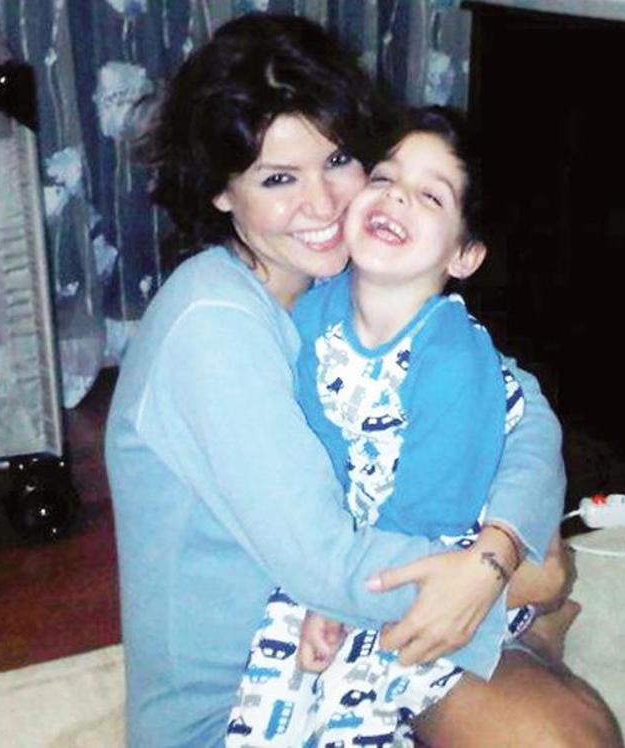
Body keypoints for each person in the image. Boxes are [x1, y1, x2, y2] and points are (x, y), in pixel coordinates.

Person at [105, 13, 621, 747]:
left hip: (367, 639)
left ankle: (527, 644)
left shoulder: (339, 274)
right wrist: (518, 575)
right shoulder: (210, 325)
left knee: (571, 738)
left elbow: (526, 413)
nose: (321, 205)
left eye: (339, 159)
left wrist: (501, 543)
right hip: (244, 707)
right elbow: (330, 564)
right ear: (222, 189)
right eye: (278, 178)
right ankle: (532, 634)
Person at [226, 106, 548, 745]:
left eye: (430, 196)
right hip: (337, 545)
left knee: (354, 706)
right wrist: (322, 585)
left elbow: (436, 502)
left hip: (420, 555)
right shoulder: (312, 311)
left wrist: (341, 600)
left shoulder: (454, 354)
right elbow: (309, 444)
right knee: (269, 692)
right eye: (383, 177)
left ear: (464, 255)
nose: (397, 196)